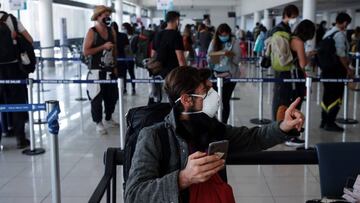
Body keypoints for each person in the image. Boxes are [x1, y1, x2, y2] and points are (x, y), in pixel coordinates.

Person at [125, 67, 305, 203]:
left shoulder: (213, 128)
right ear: (187, 100)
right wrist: (183, 178)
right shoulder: (154, 136)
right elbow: (134, 195)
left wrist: (284, 126)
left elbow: (253, 137)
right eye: (206, 91)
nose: (215, 96)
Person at [275, 20, 316, 147]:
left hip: (285, 76)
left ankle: (283, 133)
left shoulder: (291, 38)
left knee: (284, 105)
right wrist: (308, 56)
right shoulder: (299, 42)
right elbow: (303, 64)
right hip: (293, 77)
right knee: (293, 105)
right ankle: (289, 136)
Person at [268, 4, 304, 146]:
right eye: (294, 16)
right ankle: (283, 133)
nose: (295, 19)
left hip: (282, 70)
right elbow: (284, 55)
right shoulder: (281, 30)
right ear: (288, 15)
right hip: (284, 70)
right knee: (282, 101)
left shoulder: (282, 29)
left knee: (281, 99)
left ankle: (281, 131)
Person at [0, 5, 33, 149]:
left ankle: (4, 133)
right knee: (17, 101)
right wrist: (15, 37)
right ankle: (21, 139)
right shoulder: (11, 19)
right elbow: (30, 39)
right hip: (13, 68)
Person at [83, 5, 119, 135]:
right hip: (96, 70)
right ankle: (98, 122)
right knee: (96, 98)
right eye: (105, 15)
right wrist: (102, 46)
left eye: (109, 15)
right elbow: (86, 51)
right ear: (98, 16)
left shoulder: (111, 31)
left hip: (109, 70)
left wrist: (115, 66)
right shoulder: (92, 32)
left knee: (112, 96)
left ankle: (108, 117)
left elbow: (115, 50)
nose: (107, 18)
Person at [320, 12, 353, 132]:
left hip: (327, 70)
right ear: (344, 22)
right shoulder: (339, 35)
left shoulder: (328, 33)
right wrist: (348, 69)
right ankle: (330, 122)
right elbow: (341, 55)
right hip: (336, 71)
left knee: (327, 96)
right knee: (336, 96)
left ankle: (324, 121)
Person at [149, 11, 186, 104]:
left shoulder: (158, 34)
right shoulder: (176, 35)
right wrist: (185, 73)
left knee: (159, 98)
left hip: (158, 72)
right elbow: (180, 58)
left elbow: (152, 55)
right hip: (172, 73)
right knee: (172, 100)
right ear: (176, 20)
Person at [207, 23, 241, 123]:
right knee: (215, 99)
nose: (223, 37)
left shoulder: (234, 43)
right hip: (215, 75)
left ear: (229, 34)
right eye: (221, 35)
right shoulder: (214, 42)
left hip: (230, 75)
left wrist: (229, 56)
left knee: (225, 100)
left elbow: (237, 59)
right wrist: (216, 56)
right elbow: (209, 57)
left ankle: (224, 123)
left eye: (225, 35)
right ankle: (215, 121)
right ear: (218, 34)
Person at [121, 22, 137, 95]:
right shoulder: (123, 36)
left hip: (130, 58)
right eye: (122, 28)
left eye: (124, 28)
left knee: (131, 73)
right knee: (123, 73)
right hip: (123, 57)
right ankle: (124, 88)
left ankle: (133, 87)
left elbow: (134, 48)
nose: (123, 30)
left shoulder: (134, 37)